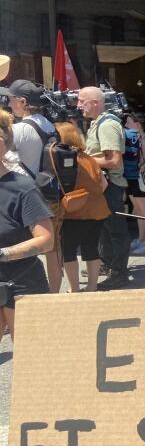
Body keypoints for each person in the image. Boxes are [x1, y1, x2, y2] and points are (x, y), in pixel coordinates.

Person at [0, 79, 63, 293]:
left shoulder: (19, 129)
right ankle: (54, 293)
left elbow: (6, 151)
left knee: (33, 243)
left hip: (21, 192)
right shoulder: (47, 124)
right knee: (52, 248)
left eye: (10, 99)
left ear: (23, 101)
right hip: (47, 190)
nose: (8, 104)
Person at [0, 109, 53, 340]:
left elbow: (46, 240)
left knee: (29, 357)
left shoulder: (22, 188)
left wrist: (3, 254)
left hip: (22, 281)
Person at [77, 86, 131, 290]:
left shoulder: (107, 126)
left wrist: (83, 160)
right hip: (101, 186)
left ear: (95, 103)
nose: (78, 105)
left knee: (116, 230)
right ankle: (107, 264)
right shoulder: (97, 123)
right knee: (105, 229)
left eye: (82, 101)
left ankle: (119, 272)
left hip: (110, 186)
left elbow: (114, 161)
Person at [55, 122, 110, 292]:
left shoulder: (66, 159)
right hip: (98, 210)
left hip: (74, 213)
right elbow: (104, 184)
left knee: (69, 251)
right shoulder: (88, 158)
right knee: (91, 248)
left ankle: (74, 289)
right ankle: (92, 286)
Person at [125, 112, 145, 255]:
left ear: (137, 124)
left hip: (142, 179)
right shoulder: (134, 139)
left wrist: (135, 167)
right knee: (138, 211)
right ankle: (141, 238)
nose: (125, 125)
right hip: (133, 178)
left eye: (128, 123)